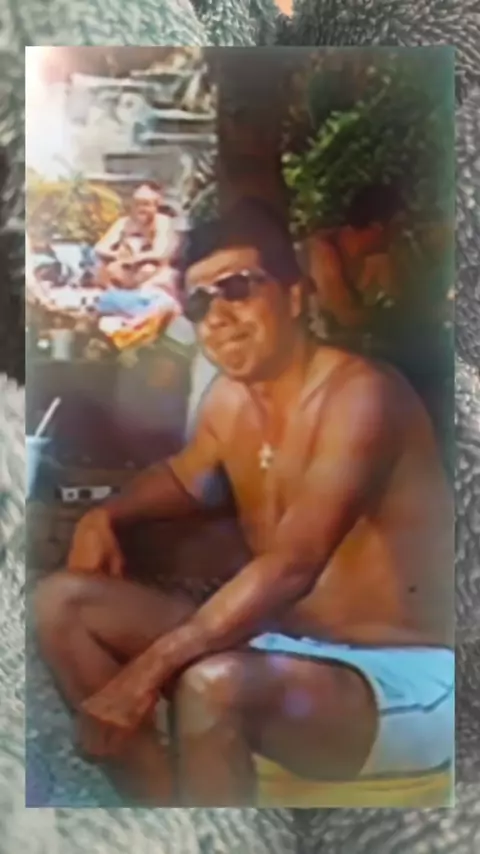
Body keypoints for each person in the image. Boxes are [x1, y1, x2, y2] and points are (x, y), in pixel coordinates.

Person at [34, 198, 454, 807]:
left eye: (238, 288)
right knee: (61, 603)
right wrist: (106, 515)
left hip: (403, 677)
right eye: (200, 304)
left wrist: (145, 673)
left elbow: (294, 564)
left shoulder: (362, 395)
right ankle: (167, 816)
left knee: (215, 686)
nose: (219, 317)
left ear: (294, 296)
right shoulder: (231, 401)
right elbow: (184, 477)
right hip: (287, 651)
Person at [305, 183, 402, 332]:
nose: (400, 233)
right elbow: (345, 318)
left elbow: (403, 298)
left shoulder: (375, 259)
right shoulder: (322, 251)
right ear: (377, 227)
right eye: (397, 226)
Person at [95, 183, 178, 293]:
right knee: (105, 269)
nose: (141, 209)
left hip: (153, 272)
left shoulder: (163, 222)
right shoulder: (124, 222)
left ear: (156, 205)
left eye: (146, 204)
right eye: (137, 204)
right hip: (125, 269)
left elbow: (161, 253)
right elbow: (100, 247)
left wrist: (136, 258)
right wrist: (117, 255)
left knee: (149, 270)